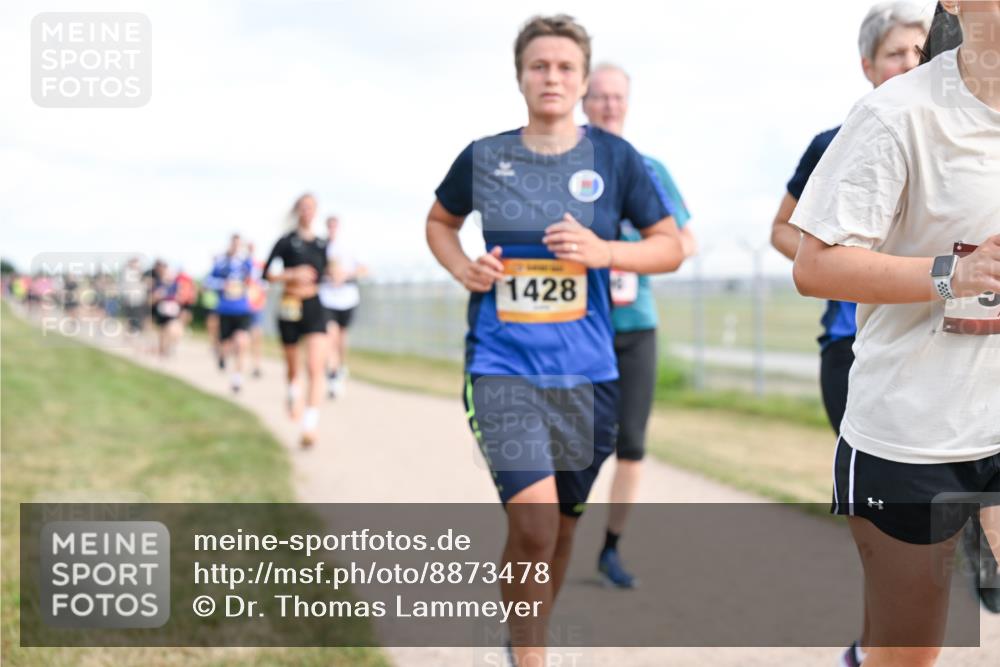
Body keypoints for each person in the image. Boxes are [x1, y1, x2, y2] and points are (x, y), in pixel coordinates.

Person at [426, 15, 684, 665]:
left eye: (566, 67)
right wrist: (463, 267)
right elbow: (440, 221)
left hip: (589, 374)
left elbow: (669, 247)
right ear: (520, 76)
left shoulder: (615, 160)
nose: (552, 77)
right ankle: (530, 650)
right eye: (539, 65)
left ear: (582, 78)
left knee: (561, 525)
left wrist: (604, 250)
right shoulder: (485, 156)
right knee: (535, 523)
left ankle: (525, 631)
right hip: (502, 365)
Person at [791, 2, 1000, 665]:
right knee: (906, 653)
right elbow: (815, 264)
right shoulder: (898, 114)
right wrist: (953, 273)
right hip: (911, 435)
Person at [771, 1, 928, 438]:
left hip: (928, 337)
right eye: (895, 54)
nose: (910, 63)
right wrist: (844, 267)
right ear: (868, 65)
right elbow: (782, 230)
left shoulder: (952, 145)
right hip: (852, 342)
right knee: (872, 493)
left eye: (919, 51)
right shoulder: (832, 144)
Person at [581, 62, 696, 589]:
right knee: (577, 443)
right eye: (599, 96)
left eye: (616, 97)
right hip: (579, 326)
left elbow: (684, 243)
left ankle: (610, 548)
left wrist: (624, 253)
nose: (608, 105)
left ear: (627, 103)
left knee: (631, 442)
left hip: (636, 326)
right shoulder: (568, 167)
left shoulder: (650, 169)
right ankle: (553, 533)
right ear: (584, 102)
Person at [263, 193, 331, 448]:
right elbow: (266, 273)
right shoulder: (285, 242)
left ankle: (310, 425)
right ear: (297, 211)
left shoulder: (322, 244)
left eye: (311, 208)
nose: (307, 212)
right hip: (290, 305)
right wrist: (291, 274)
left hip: (314, 305)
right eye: (303, 207)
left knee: (315, 367)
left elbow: (324, 275)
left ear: (316, 212)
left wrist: (334, 274)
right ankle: (293, 392)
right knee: (293, 366)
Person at [318, 215, 367, 398]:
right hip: (326, 297)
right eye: (329, 226)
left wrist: (345, 275)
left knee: (341, 337)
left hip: (347, 298)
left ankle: (340, 366)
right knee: (331, 334)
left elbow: (364, 269)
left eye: (334, 226)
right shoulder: (321, 246)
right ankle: (333, 373)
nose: (331, 229)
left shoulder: (349, 247)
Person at [207, 234, 255, 393]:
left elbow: (257, 278)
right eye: (233, 244)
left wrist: (251, 255)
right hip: (225, 310)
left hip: (242, 309)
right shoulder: (221, 264)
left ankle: (237, 378)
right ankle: (221, 355)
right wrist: (223, 284)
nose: (235, 247)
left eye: (238, 244)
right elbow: (209, 281)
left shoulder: (245, 263)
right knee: (225, 344)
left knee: (241, 342)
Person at [245, 241, 267, 379]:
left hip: (256, 305)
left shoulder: (261, 266)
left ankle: (256, 364)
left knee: (256, 335)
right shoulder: (242, 265)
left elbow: (266, 285)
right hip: (242, 306)